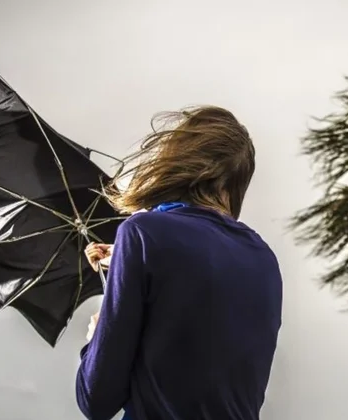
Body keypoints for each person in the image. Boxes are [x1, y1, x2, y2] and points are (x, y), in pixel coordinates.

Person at [75, 106, 283, 420]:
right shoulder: (264, 257)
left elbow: (96, 400)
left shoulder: (144, 234)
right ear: (238, 183)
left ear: (177, 160)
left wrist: (98, 333)